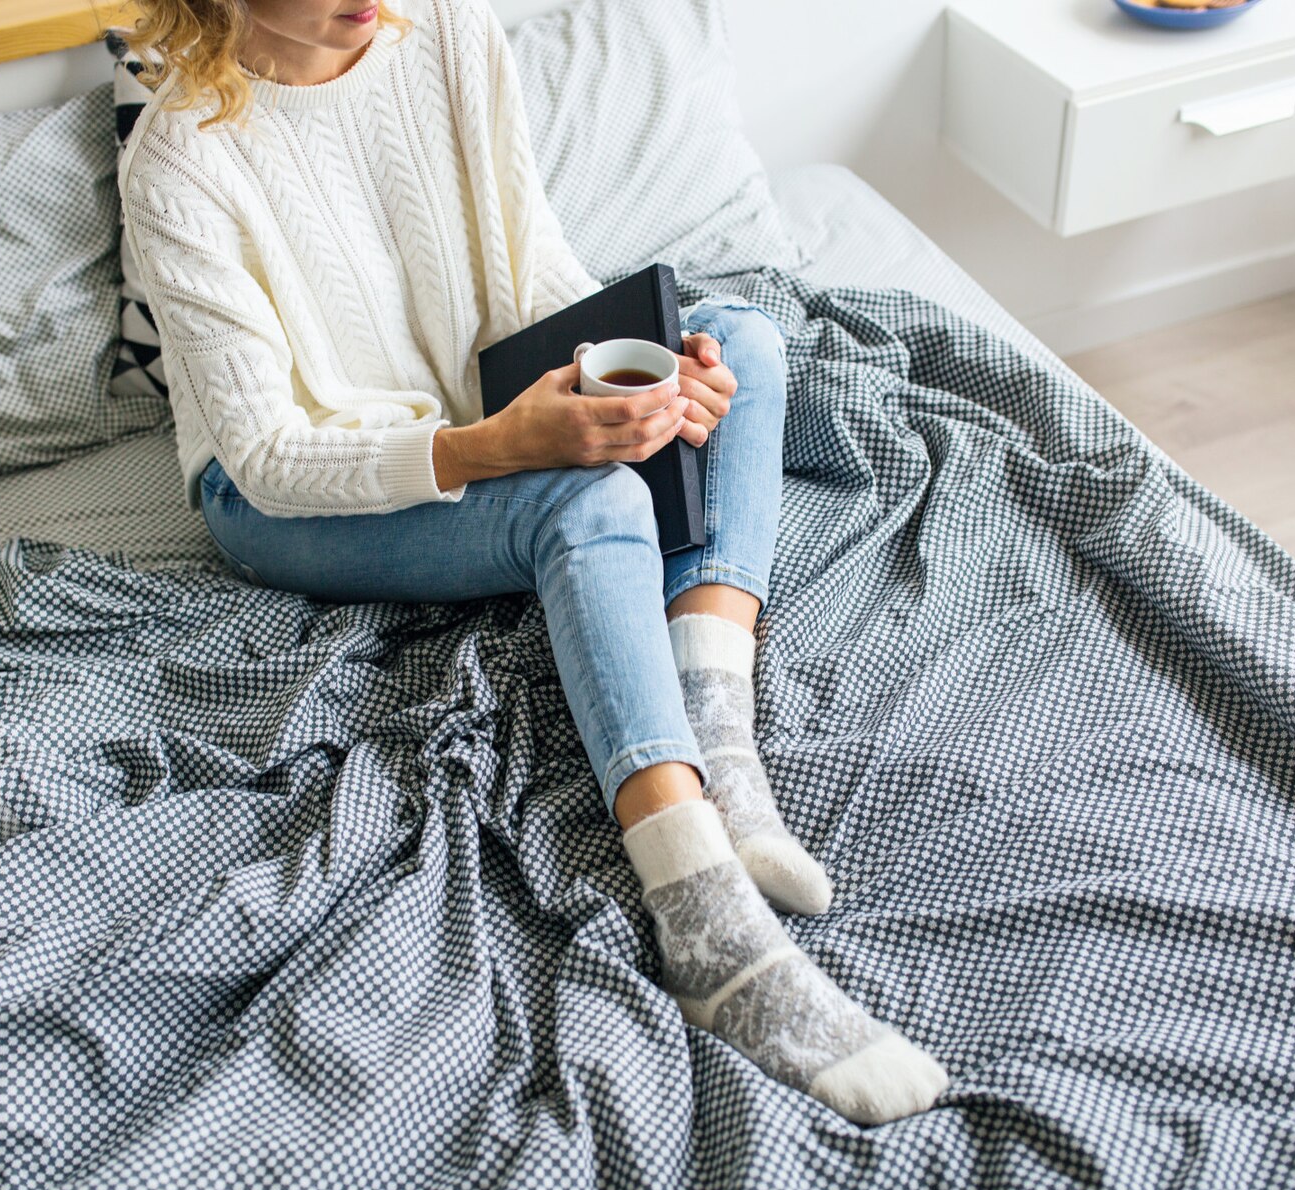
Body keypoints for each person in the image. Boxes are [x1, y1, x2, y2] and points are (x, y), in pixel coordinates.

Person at [117, 0, 946, 1123]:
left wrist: (638, 381)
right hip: (289, 493)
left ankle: (719, 742)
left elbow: (532, 268)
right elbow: (269, 457)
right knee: (591, 497)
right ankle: (702, 918)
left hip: (483, 402)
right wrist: (502, 445)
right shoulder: (177, 160)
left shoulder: (447, 33)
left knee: (742, 341)